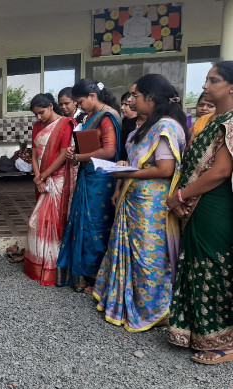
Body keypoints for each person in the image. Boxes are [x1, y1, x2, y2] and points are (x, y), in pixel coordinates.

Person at [93, 74, 187, 331]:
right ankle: (127, 299)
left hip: (151, 204)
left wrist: (124, 173)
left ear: (150, 98)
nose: (132, 100)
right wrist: (124, 168)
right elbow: (141, 161)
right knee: (130, 252)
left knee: (148, 256)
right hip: (135, 198)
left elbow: (165, 169)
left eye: (136, 95)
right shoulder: (147, 125)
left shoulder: (165, 126)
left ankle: (154, 308)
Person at [166, 61, 233, 364]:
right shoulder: (211, 120)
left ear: (231, 86)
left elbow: (220, 171)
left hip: (214, 203)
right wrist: (181, 196)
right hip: (197, 202)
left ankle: (224, 339)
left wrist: (180, 194)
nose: (205, 86)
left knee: (212, 265)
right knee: (193, 262)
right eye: (206, 80)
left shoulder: (230, 121)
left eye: (213, 80)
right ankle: (196, 331)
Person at [56, 79, 122, 292]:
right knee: (83, 222)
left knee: (94, 225)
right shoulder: (92, 116)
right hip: (90, 174)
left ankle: (94, 276)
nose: (79, 105)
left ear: (93, 96)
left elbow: (109, 151)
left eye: (80, 101)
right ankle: (82, 274)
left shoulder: (107, 117)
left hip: (101, 178)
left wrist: (79, 156)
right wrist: (77, 155)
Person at [23, 94, 76, 285]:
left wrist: (44, 176)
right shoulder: (38, 126)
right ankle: (38, 264)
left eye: (41, 112)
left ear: (51, 106)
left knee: (50, 220)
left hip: (57, 178)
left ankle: (53, 266)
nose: (38, 117)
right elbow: (35, 154)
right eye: (36, 114)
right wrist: (38, 177)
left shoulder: (66, 124)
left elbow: (63, 154)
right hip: (42, 178)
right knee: (38, 221)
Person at [120, 91, 139, 161]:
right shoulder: (123, 120)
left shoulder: (137, 123)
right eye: (122, 104)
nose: (122, 107)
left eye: (126, 105)